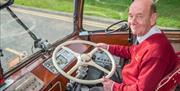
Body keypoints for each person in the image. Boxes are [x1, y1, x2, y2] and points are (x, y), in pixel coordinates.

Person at [97, 0, 177, 91]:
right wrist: (108, 47)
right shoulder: (150, 37)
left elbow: (142, 90)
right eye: (131, 16)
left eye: (140, 16)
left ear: (152, 18)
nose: (133, 22)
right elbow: (132, 51)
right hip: (128, 82)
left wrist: (113, 87)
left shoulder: (155, 52)